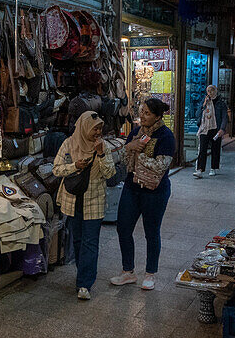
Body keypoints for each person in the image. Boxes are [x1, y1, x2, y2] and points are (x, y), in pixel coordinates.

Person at [111, 98, 175, 290]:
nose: (142, 116)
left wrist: (140, 154)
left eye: (147, 113)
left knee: (151, 232)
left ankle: (150, 274)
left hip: (155, 191)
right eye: (142, 111)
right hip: (132, 187)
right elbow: (123, 159)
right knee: (123, 228)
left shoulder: (166, 136)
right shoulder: (136, 132)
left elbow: (161, 166)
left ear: (157, 116)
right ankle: (128, 271)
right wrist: (129, 147)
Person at [53, 111, 116, 300]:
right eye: (94, 128)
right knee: (78, 240)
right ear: (84, 127)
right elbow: (56, 169)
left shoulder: (103, 147)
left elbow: (110, 173)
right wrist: (74, 166)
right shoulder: (69, 144)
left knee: (90, 242)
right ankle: (84, 274)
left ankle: (84, 283)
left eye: (100, 128)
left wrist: (101, 153)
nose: (98, 132)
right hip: (72, 200)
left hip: (94, 201)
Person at [193, 85, 228, 178]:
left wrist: (222, 129)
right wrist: (203, 105)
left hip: (215, 128)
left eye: (212, 90)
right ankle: (200, 169)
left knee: (215, 149)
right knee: (202, 149)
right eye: (208, 91)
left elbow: (224, 117)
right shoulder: (203, 102)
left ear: (216, 91)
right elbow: (197, 114)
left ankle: (213, 167)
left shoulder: (221, 103)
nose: (210, 92)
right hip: (204, 128)